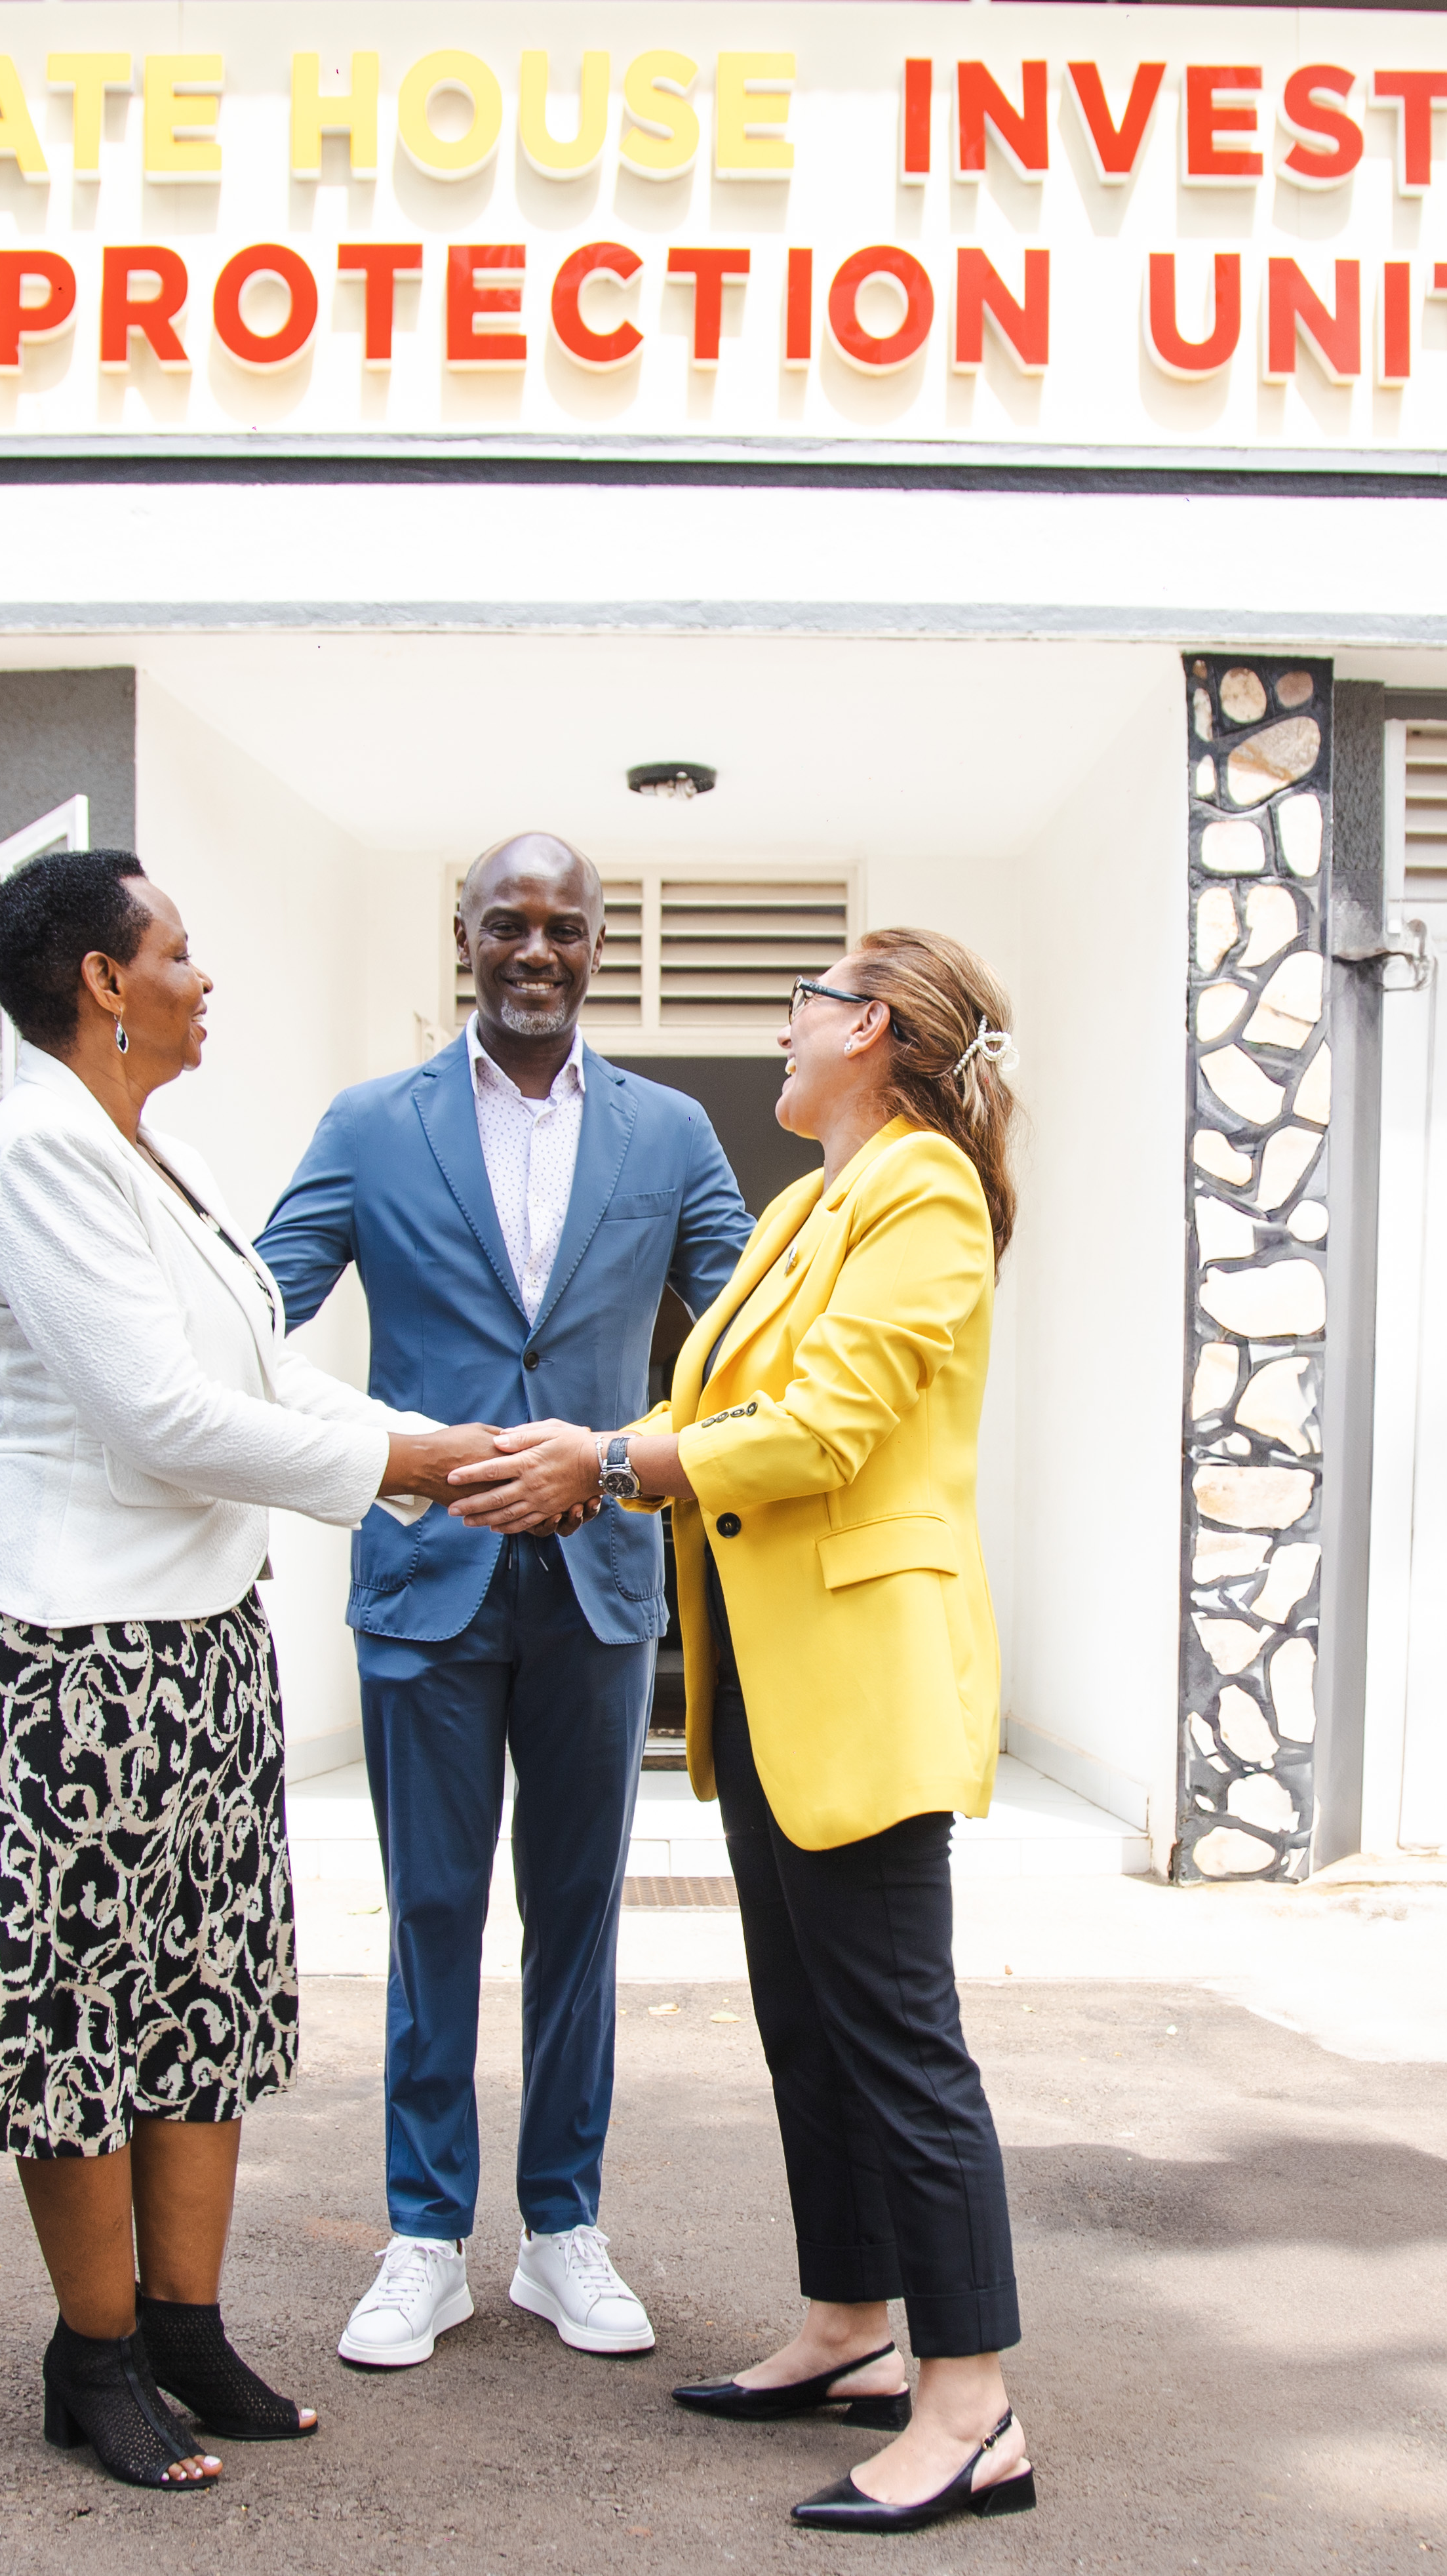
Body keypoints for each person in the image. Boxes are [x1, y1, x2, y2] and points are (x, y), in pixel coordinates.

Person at [448, 926, 1038, 2537]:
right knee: (811, 2024)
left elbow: (826, 1429)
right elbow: (718, 1411)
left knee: (900, 2043)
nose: (780, 1030)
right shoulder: (804, 1205)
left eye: (806, 1004)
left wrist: (609, 1466)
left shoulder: (919, 1194)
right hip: (772, 1681)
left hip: (857, 1672)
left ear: (879, 1033)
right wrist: (609, 1444)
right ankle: (851, 2328)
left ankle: (970, 2405)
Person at [0, 847, 497, 2494]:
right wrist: (416, 1462)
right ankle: (89, 2356)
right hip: (64, 1652)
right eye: (177, 951)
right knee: (75, 2014)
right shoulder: (39, 1149)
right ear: (104, 982)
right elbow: (155, 1420)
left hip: (190, 1642)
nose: (201, 975)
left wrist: (425, 1448)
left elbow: (255, 1371)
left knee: (200, 1995)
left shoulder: (139, 1152)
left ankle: (182, 2331)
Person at [255, 831, 753, 2371]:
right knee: (428, 1912)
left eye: (564, 927)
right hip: (424, 1580)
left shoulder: (669, 1136)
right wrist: (380, 1454)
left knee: (578, 1919)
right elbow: (249, 1314)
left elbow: (754, 1335)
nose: (535, 950)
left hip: (600, 1583)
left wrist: (617, 1463)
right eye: (504, 924)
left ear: (599, 944)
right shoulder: (369, 1122)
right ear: (461, 938)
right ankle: (420, 2238)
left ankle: (558, 2230)